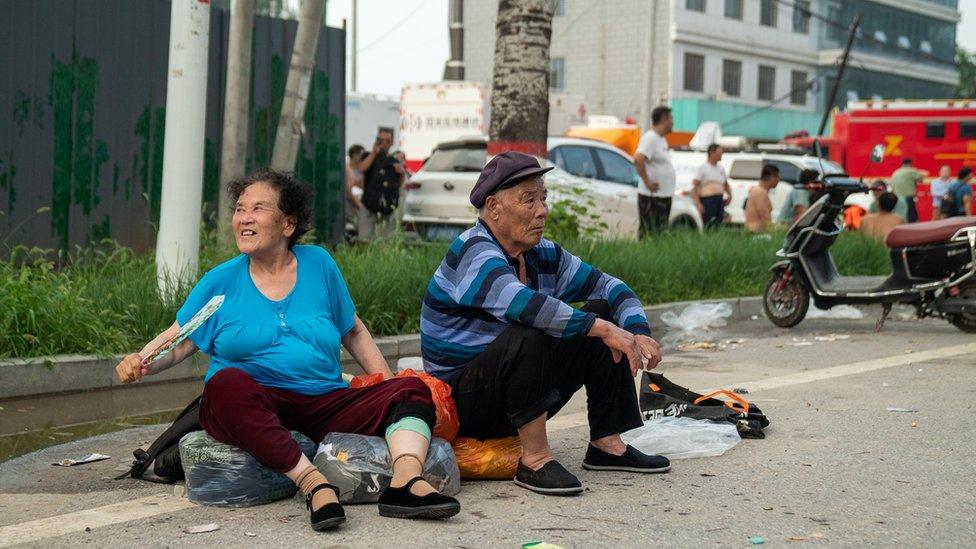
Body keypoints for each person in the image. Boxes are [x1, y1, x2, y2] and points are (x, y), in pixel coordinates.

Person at [115, 169, 459, 532]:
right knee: (225, 386)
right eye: (240, 209)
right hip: (257, 404)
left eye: (258, 208)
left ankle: (405, 483)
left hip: (323, 399)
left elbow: (353, 329)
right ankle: (313, 483)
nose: (244, 217)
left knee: (411, 389)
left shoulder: (319, 264)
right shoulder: (220, 281)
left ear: (287, 223)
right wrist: (142, 362)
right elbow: (180, 339)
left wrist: (383, 386)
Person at [421, 151, 668, 497]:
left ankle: (607, 444)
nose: (542, 210)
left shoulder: (542, 253)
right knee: (537, 327)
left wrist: (637, 331)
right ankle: (534, 459)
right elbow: (522, 304)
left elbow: (611, 287)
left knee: (601, 311)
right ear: (493, 208)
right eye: (529, 200)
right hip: (465, 401)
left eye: (543, 198)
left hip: (513, 392)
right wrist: (605, 329)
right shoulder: (473, 250)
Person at [634, 106, 676, 237]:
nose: (673, 122)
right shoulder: (650, 138)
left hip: (663, 195)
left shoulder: (661, 139)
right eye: (671, 119)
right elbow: (638, 159)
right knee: (649, 232)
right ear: (664, 119)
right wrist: (647, 182)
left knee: (660, 232)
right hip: (651, 197)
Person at [359, 128, 406, 241]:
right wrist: (374, 153)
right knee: (364, 240)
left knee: (386, 241)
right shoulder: (368, 156)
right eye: (381, 140)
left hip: (387, 208)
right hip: (369, 205)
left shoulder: (393, 161)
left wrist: (402, 174)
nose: (384, 144)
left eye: (387, 141)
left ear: (391, 143)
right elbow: (362, 168)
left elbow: (399, 185)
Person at [692, 144, 732, 228]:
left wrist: (729, 195)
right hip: (708, 200)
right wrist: (698, 203)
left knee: (718, 221)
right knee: (709, 222)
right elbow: (695, 187)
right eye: (720, 152)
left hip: (719, 199)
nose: (722, 154)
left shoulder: (721, 168)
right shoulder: (702, 168)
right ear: (712, 153)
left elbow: (725, 184)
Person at [744, 164, 780, 233]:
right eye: (777, 177)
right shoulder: (760, 192)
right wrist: (773, 230)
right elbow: (763, 213)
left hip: (758, 231)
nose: (778, 180)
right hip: (755, 232)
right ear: (772, 177)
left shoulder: (761, 191)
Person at [889, 158, 924, 223]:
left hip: (896, 198)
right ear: (910, 164)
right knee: (912, 219)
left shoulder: (896, 172)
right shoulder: (911, 170)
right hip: (908, 198)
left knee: (899, 217)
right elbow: (920, 179)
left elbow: (892, 186)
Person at [345, 144, 366, 230]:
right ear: (354, 155)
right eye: (361, 154)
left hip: (360, 204)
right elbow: (349, 190)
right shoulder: (347, 169)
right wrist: (359, 205)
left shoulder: (361, 170)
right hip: (351, 205)